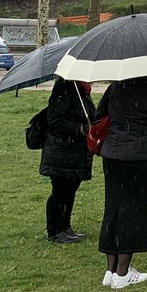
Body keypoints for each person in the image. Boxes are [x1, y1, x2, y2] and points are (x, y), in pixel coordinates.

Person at [94, 76, 147, 289]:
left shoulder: (116, 88)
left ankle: (110, 270)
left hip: (113, 154)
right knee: (134, 210)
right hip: (140, 156)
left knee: (114, 207)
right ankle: (122, 273)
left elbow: (99, 116)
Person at [39, 78, 97, 244]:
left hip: (75, 152)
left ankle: (65, 226)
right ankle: (54, 230)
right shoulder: (65, 87)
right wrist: (80, 128)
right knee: (60, 190)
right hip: (61, 151)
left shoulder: (81, 90)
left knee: (70, 189)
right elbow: (55, 120)